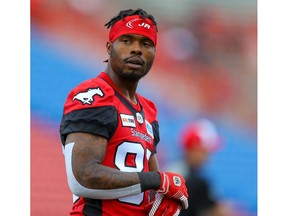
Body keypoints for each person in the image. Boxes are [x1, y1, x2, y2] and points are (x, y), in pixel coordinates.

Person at [59, 8, 188, 216]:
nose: (136, 49)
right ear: (109, 47)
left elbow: (152, 184)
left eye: (146, 44)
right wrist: (158, 180)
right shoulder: (94, 95)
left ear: (154, 53)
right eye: (127, 40)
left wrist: (166, 198)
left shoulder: (149, 110)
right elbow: (81, 178)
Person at [178, 119, 233, 216]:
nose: (208, 155)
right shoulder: (197, 180)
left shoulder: (177, 170)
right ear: (193, 149)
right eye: (205, 151)